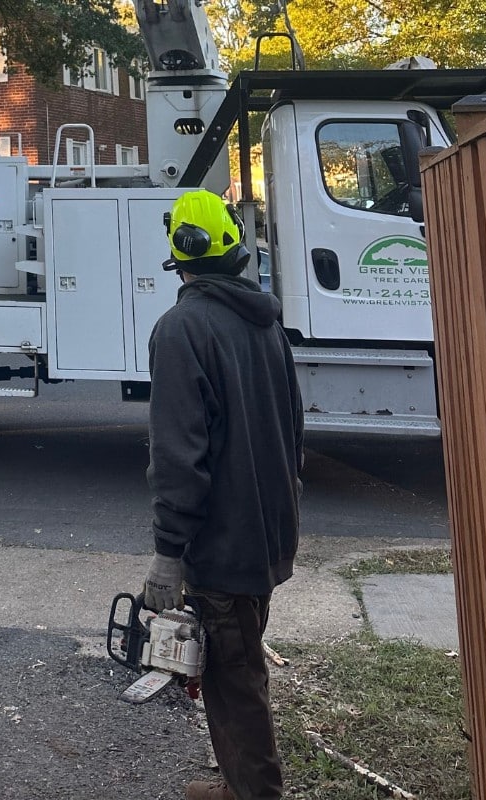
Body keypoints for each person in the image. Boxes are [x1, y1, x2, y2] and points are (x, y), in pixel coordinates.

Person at [141, 190, 303, 800]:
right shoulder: (265, 323)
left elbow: (180, 460)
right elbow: (294, 432)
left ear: (180, 255)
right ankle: (238, 784)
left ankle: (256, 792)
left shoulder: (182, 329)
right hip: (266, 538)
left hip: (225, 548)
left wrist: (167, 552)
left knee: (236, 683)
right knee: (236, 664)